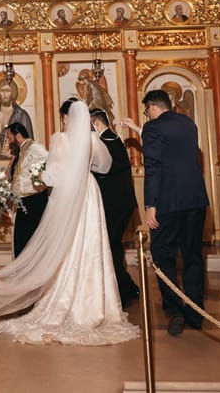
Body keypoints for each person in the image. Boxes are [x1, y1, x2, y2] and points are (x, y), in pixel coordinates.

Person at [0, 99, 138, 345]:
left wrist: (41, 175)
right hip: (90, 192)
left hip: (70, 194)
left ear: (65, 118)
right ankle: (96, 304)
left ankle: (64, 298)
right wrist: (85, 167)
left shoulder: (61, 139)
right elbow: (105, 166)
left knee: (67, 244)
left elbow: (51, 177)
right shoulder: (93, 140)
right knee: (92, 244)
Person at [140, 89, 209, 335]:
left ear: (152, 107)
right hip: (196, 200)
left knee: (162, 256)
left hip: (168, 203)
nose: (147, 115)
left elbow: (153, 167)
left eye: (147, 110)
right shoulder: (188, 124)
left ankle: (175, 310)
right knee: (192, 256)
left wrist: (150, 205)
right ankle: (196, 313)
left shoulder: (153, 127)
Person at [89, 108, 139, 307]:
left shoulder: (108, 139)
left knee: (110, 245)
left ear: (96, 122)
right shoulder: (109, 139)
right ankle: (125, 287)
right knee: (112, 245)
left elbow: (108, 169)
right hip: (117, 204)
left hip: (116, 204)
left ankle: (125, 289)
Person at [7, 122, 48, 258]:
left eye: (9, 138)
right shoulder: (21, 151)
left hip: (34, 200)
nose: (8, 142)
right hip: (23, 201)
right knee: (21, 240)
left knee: (32, 240)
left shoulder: (34, 147)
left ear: (17, 136)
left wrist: (39, 177)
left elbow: (49, 160)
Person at [0, 78, 34, 160]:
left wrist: (14, 150)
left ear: (13, 93)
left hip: (17, 162)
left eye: (7, 90)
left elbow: (29, 144)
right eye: (2, 91)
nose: (4, 94)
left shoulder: (22, 115)